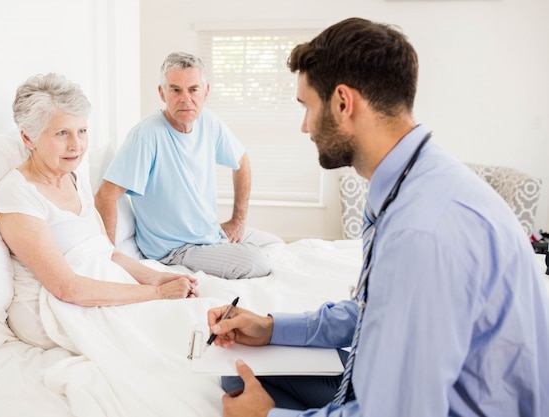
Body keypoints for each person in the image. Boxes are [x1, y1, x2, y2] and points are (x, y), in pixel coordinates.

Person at [207, 17, 549, 417]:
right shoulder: (408, 181)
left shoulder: (422, 230)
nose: (304, 127)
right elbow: (379, 309)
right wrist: (271, 328)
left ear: (342, 103)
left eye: (307, 107)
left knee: (245, 402)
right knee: (236, 378)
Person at [0, 73, 198, 349]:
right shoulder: (17, 194)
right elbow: (67, 288)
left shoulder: (74, 176)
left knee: (198, 324)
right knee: (172, 340)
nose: (76, 145)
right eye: (62, 133)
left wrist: (158, 277)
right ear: (28, 138)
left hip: (99, 285)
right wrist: (157, 293)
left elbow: (107, 252)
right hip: (58, 309)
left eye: (82, 131)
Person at [94, 52, 279, 280]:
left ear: (205, 91)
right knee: (257, 262)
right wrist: (111, 259)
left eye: (193, 89)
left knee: (276, 244)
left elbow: (241, 161)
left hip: (209, 235)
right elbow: (105, 196)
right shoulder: (146, 135)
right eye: (175, 90)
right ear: (162, 93)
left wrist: (237, 222)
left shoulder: (208, 121)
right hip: (174, 250)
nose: (185, 99)